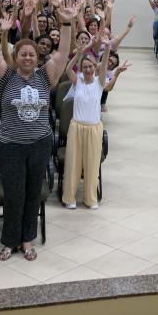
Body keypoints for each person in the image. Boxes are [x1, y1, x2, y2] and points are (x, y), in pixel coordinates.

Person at [0, 0, 75, 262]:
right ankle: (9, 241)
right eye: (22, 53)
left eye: (31, 54)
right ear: (15, 56)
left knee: (33, 194)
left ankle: (27, 240)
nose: (26, 57)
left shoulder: (45, 76)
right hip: (10, 145)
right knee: (14, 194)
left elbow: (63, 52)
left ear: (37, 58)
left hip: (39, 144)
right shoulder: (5, 76)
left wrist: (67, 22)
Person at [61, 43, 109, 209]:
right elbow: (68, 69)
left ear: (95, 67)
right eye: (85, 67)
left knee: (92, 164)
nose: (88, 70)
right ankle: (69, 198)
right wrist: (79, 54)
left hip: (94, 128)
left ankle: (90, 198)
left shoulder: (99, 82)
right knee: (73, 163)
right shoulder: (78, 81)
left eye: (90, 67)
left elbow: (104, 66)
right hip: (76, 127)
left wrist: (108, 47)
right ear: (81, 68)